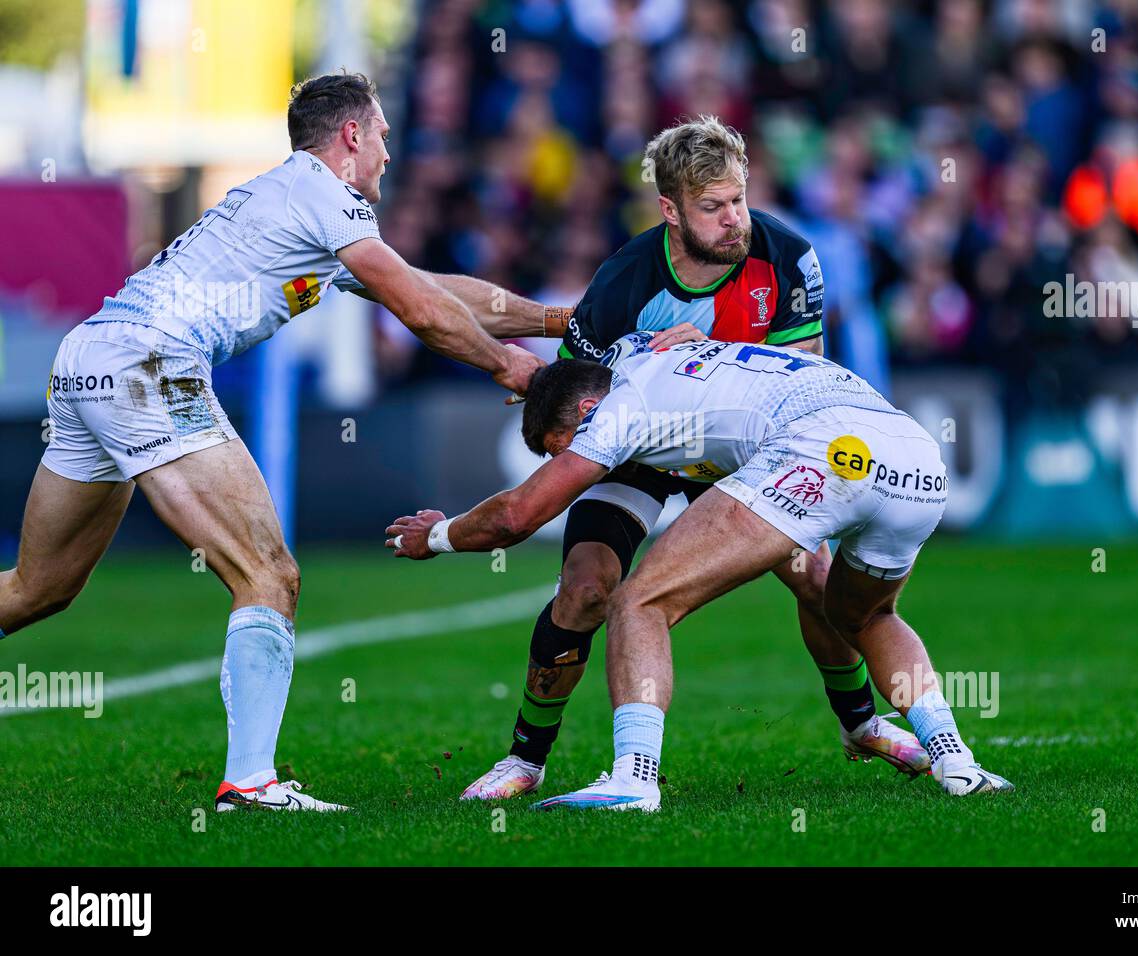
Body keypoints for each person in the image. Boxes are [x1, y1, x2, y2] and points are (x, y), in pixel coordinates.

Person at [0, 70, 547, 813]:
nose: (389, 151)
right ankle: (250, 784)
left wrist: (554, 322)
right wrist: (506, 363)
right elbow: (418, 308)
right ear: (351, 135)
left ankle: (251, 782)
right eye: (383, 135)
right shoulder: (326, 195)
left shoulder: (297, 202)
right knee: (269, 573)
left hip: (94, 355)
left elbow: (433, 287)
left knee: (38, 590)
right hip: (150, 364)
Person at [458, 116, 934, 802]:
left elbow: (808, 377)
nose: (734, 219)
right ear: (671, 210)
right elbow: (575, 396)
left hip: (750, 449)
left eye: (738, 199)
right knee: (588, 588)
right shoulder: (622, 283)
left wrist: (699, 359)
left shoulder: (790, 256)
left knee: (816, 580)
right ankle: (526, 758)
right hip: (644, 450)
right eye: (713, 208)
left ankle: (860, 724)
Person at [386, 337, 1014, 810]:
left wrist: (438, 536)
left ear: (584, 408)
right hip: (913, 457)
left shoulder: (616, 407)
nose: (579, 464)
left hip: (821, 451)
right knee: (868, 614)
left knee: (640, 603)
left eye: (564, 446)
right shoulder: (643, 352)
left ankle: (633, 778)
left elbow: (518, 516)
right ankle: (954, 758)